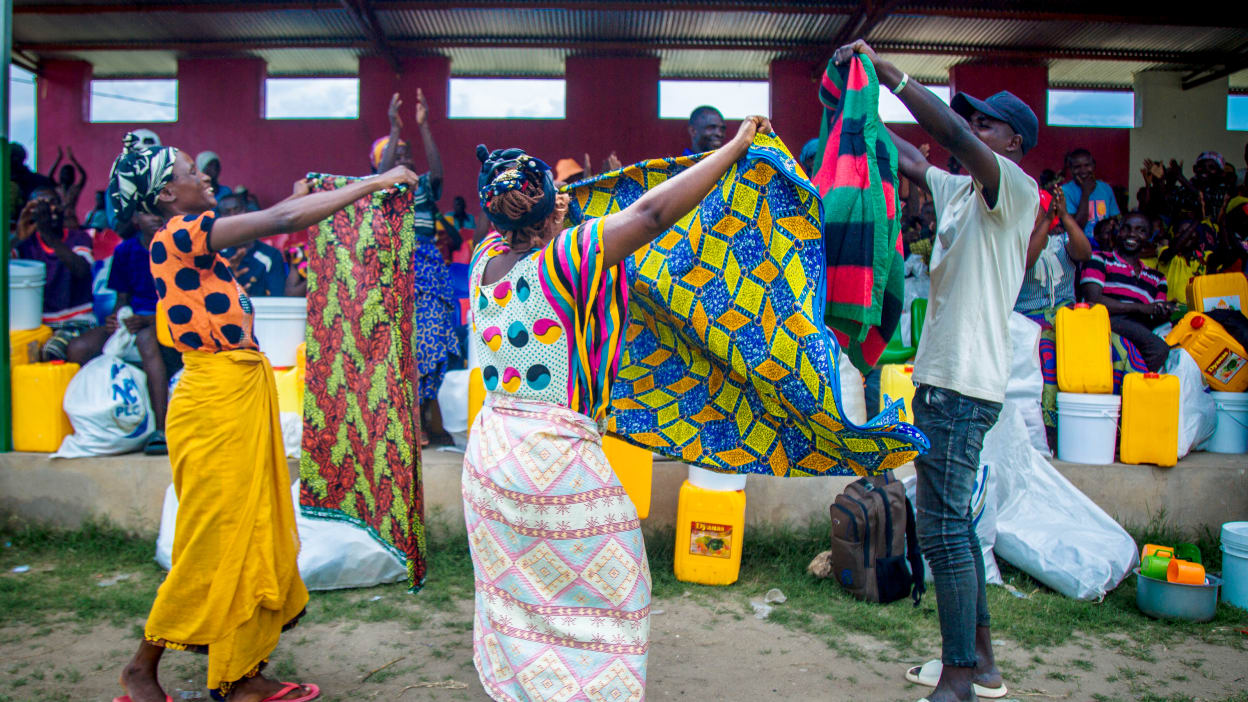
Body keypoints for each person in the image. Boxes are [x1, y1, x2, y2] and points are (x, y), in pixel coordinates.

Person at [106, 130, 421, 702]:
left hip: (236, 390)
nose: (202, 176)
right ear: (167, 196)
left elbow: (284, 212)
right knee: (213, 539)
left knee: (252, 533)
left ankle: (240, 675)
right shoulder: (182, 234)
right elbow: (281, 218)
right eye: (187, 171)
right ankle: (140, 668)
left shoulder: (191, 242)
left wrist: (308, 195)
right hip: (213, 398)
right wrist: (374, 182)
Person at [465, 115, 771, 701]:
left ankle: (528, 684)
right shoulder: (568, 259)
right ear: (554, 211)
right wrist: (733, 150)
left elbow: (533, 223)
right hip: (552, 455)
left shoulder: (484, 263)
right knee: (617, 587)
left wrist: (539, 205)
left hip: (491, 449)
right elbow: (651, 215)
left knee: (520, 587)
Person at [833, 39, 1039, 702]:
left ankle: (956, 677)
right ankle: (979, 662)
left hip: (961, 386)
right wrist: (858, 98)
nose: (972, 130)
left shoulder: (1012, 189)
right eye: (972, 119)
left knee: (944, 530)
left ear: (1012, 142)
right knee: (954, 527)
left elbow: (944, 131)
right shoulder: (960, 194)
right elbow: (916, 157)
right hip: (944, 380)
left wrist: (888, 69)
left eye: (986, 124)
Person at [372, 90, 456, 446]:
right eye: (397, 153)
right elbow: (380, 173)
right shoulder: (377, 190)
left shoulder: (421, 187)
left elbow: (437, 172)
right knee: (403, 349)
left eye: (407, 153)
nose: (404, 157)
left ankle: (424, 417)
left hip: (430, 275)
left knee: (431, 343)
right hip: (395, 272)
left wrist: (423, 127)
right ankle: (414, 423)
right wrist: (394, 128)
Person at [65, 211, 181, 455]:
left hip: (167, 320)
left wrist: (149, 319)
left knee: (146, 339)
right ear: (136, 218)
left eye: (156, 210)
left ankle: (160, 429)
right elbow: (122, 299)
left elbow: (184, 301)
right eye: (146, 212)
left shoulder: (176, 246)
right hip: (133, 319)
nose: (154, 217)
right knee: (78, 348)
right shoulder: (125, 250)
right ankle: (88, 423)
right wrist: (115, 320)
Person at [1080, 212, 1174, 373]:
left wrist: (1163, 311)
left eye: (1140, 230)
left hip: (1139, 326)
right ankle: (1134, 388)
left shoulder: (1158, 278)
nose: (1132, 234)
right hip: (1104, 320)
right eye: (1126, 228)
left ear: (1149, 237)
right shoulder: (1099, 258)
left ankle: (1131, 387)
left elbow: (1155, 313)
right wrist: (1140, 308)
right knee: (1157, 348)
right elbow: (1093, 300)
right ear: (1118, 231)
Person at [12, 188, 97, 360]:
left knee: (51, 352)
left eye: (52, 203)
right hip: (38, 325)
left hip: (76, 322)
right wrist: (18, 238)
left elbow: (81, 270)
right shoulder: (26, 243)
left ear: (62, 207)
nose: (49, 210)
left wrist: (47, 234)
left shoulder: (79, 238)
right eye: (41, 206)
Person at [216, 194, 289, 297]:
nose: (233, 216)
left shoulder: (271, 255)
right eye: (226, 212)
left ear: (248, 212)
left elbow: (276, 298)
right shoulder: (216, 255)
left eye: (237, 209)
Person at [1061, 148, 1120, 238]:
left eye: (1087, 165)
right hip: (1078, 247)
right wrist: (1085, 193)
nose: (1083, 170)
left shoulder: (1105, 188)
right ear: (1071, 169)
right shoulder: (1065, 191)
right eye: (1077, 167)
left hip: (1102, 245)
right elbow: (1075, 228)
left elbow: (1115, 219)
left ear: (1093, 166)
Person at [47, 146, 88, 230]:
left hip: (72, 221)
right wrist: (58, 159)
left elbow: (83, 176)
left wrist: (73, 160)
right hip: (59, 221)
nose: (66, 176)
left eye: (69, 174)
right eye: (64, 173)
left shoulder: (75, 189)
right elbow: (50, 176)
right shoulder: (58, 188)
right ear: (61, 175)